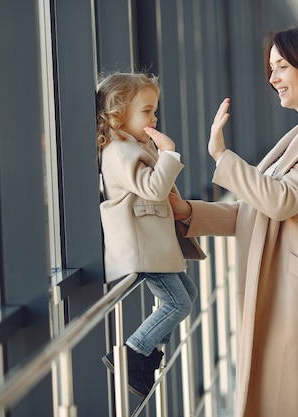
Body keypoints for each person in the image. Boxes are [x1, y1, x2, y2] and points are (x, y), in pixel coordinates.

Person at [165, 23, 298, 417]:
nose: (272, 78)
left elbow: (282, 200)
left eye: (281, 66)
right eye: (271, 68)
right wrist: (190, 213)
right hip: (286, 288)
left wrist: (221, 156)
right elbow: (256, 209)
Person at [95, 72, 203, 398]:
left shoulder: (133, 146)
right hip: (143, 245)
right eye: (147, 110)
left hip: (154, 242)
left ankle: (146, 355)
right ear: (119, 113)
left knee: (188, 294)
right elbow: (154, 189)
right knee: (177, 303)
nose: (154, 117)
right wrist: (168, 152)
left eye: (154, 110)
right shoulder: (119, 152)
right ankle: (132, 353)